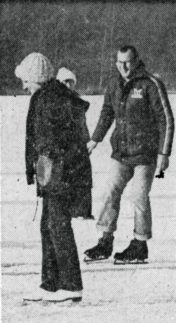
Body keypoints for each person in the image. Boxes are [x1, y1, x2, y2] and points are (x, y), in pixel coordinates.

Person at [84, 45, 175, 264]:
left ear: (136, 61)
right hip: (122, 152)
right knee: (110, 192)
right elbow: (107, 113)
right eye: (119, 62)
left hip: (145, 154)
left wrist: (164, 152)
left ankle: (139, 244)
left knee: (139, 196)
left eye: (127, 62)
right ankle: (105, 240)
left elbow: (166, 119)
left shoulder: (150, 84)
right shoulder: (114, 84)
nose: (123, 66)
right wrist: (95, 139)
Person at [18, 53, 91, 302]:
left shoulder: (49, 99)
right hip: (59, 172)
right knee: (49, 225)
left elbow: (52, 141)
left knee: (57, 225)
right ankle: (50, 284)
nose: (23, 85)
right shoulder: (49, 96)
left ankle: (71, 285)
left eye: (26, 80)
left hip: (62, 173)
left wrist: (47, 169)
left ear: (36, 78)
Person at [56, 67, 94, 220]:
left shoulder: (77, 100)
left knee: (84, 178)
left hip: (79, 144)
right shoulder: (56, 101)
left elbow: (82, 124)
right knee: (66, 177)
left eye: (71, 82)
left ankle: (83, 210)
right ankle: (67, 209)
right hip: (65, 146)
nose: (68, 85)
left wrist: (87, 140)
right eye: (65, 81)